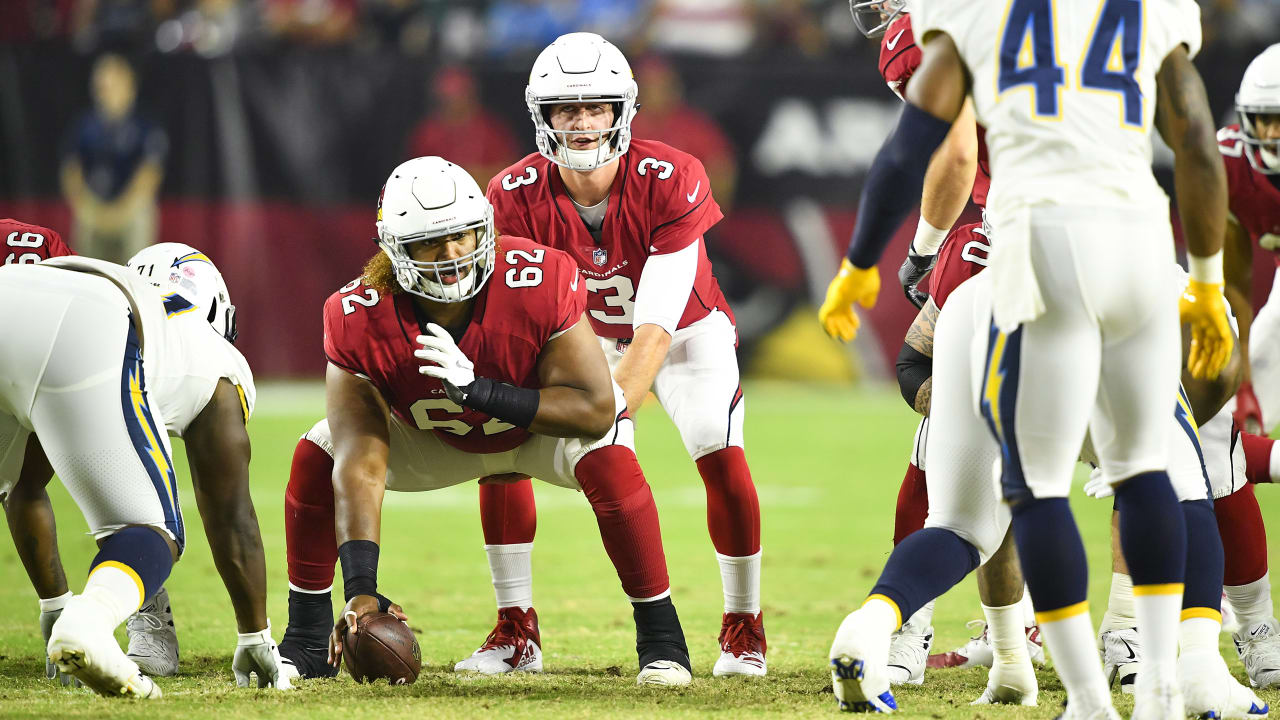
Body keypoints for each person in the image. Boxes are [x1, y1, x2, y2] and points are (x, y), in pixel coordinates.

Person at [820, 1, 1232, 716]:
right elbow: (1195, 137)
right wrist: (1204, 279)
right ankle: (1167, 681)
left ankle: (1082, 697)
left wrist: (860, 262)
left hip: (1028, 248)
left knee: (1031, 490)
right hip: (1136, 243)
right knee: (1153, 473)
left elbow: (916, 148)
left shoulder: (969, 13)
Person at [278, 156, 694, 687]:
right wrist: (361, 585)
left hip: (534, 430)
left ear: (487, 229)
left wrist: (482, 391)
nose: (452, 255)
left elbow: (596, 409)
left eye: (465, 235)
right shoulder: (357, 313)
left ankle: (662, 639)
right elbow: (360, 455)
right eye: (431, 243)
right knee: (318, 452)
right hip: (440, 436)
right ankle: (308, 640)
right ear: (394, 250)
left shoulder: (539, 277)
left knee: (611, 450)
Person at [475, 32, 766, 677]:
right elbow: (520, 314)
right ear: (541, 116)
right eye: (565, 109)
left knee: (720, 459)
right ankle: (517, 630)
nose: (581, 122)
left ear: (623, 110)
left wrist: (605, 413)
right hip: (584, 339)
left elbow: (656, 328)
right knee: (503, 451)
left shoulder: (673, 177)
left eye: (595, 107)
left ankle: (744, 626)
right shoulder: (513, 194)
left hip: (686, 334)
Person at [0, 242, 288, 697]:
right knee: (152, 530)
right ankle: (89, 623)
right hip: (91, 320)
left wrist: (53, 604)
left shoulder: (130, 296)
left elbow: (27, 485)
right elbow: (232, 514)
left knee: (12, 481)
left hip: (12, 288)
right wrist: (255, 634)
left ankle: (66, 614)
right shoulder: (212, 353)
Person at [60, 54, 167, 264]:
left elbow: (149, 175)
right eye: (101, 86)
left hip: (131, 208)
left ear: (128, 85)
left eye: (111, 85)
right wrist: (86, 208)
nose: (105, 91)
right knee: (85, 242)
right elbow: (71, 171)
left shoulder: (145, 126)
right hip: (94, 207)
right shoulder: (85, 125)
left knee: (141, 219)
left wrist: (121, 213)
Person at [1223, 44, 1280, 438]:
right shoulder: (1229, 162)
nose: (1273, 134)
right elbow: (1235, 284)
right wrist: (1242, 380)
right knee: (1232, 423)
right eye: (1265, 119)